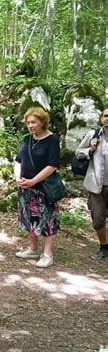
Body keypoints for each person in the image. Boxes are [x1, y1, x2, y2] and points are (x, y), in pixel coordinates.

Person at [14, 107, 61, 268]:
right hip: (26, 187)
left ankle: (48, 254)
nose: (30, 125)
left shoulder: (52, 140)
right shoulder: (27, 139)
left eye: (34, 122)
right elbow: (18, 160)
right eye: (28, 122)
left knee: (47, 219)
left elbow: (52, 165)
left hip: (43, 187)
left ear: (42, 122)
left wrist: (34, 180)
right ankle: (33, 248)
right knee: (29, 217)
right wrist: (18, 178)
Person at [75, 107, 108, 260]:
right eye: (106, 116)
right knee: (98, 219)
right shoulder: (93, 135)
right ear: (102, 118)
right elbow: (78, 152)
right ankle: (103, 247)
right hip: (97, 186)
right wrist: (90, 149)